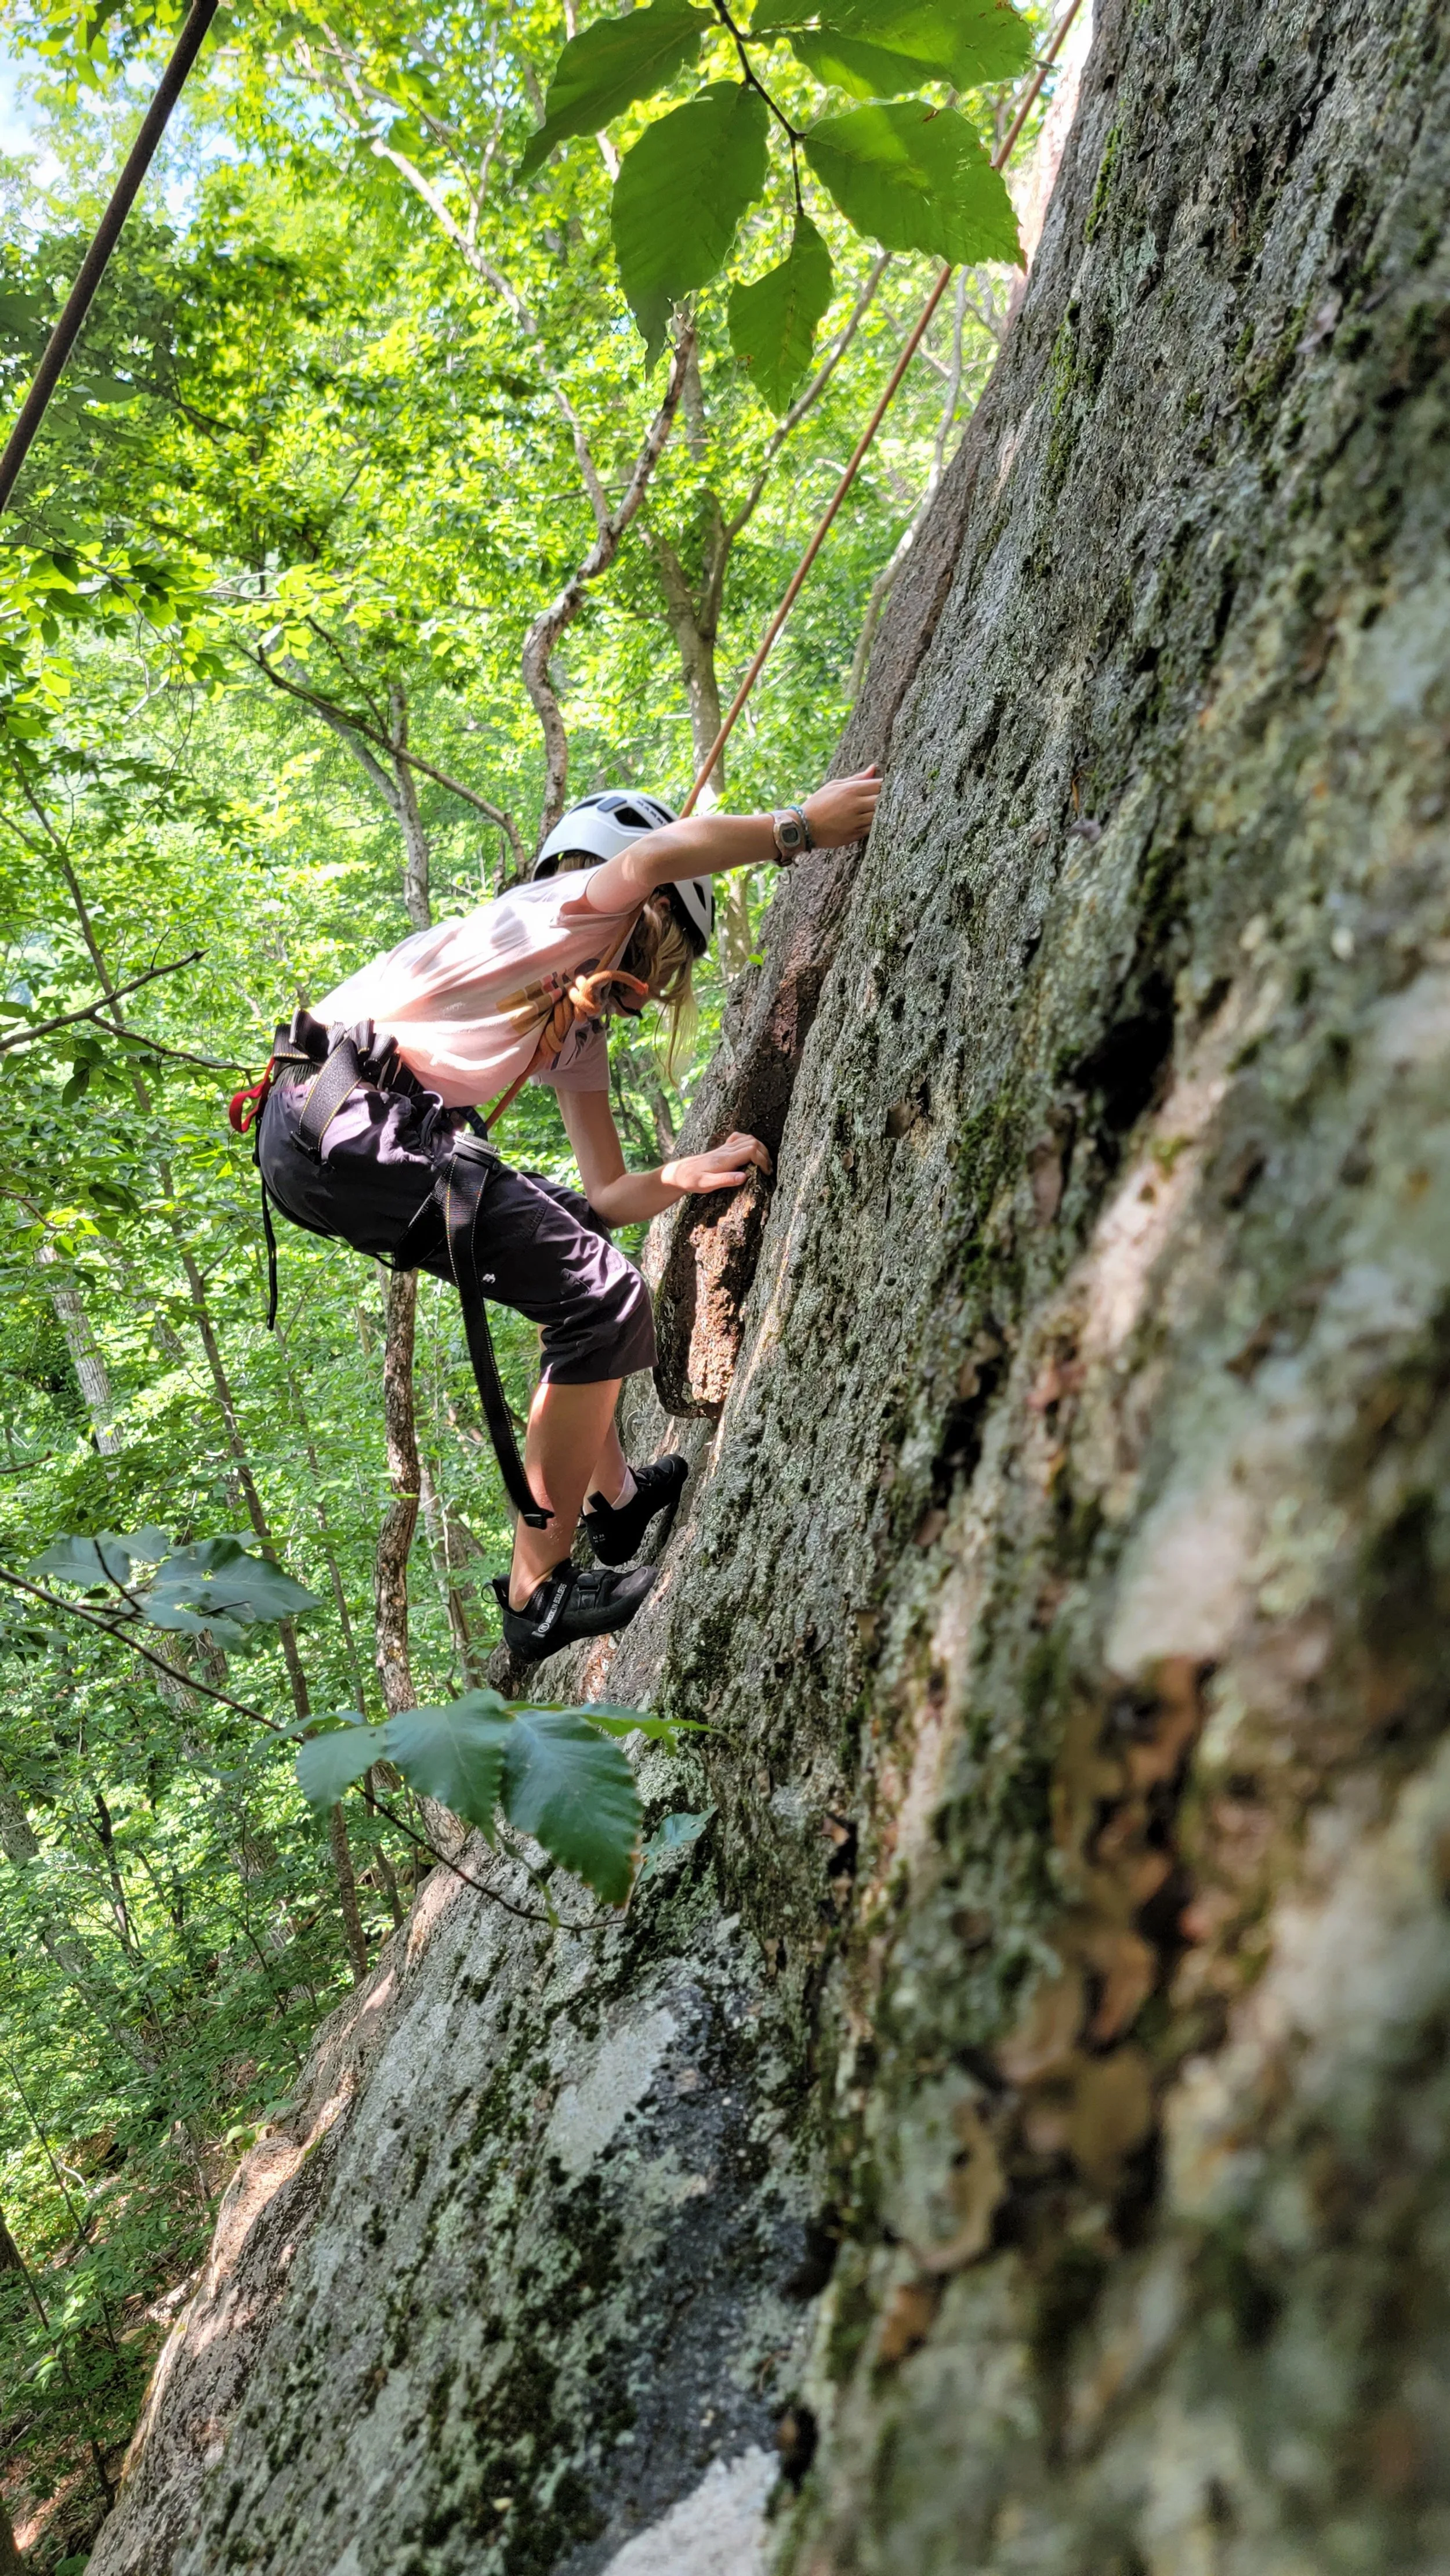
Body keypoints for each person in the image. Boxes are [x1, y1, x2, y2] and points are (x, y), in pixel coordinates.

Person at [259, 768, 882, 1662]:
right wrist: (801, 828)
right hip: (344, 1120)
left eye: (636, 998)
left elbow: (605, 1195)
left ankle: (616, 1502)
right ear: (637, 904)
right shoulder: (557, 910)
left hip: (332, 1139)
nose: (621, 1004)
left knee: (573, 1245)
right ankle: (537, 1590)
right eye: (634, 976)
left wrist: (684, 1172)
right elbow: (665, 852)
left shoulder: (569, 1028)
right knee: (602, 1299)